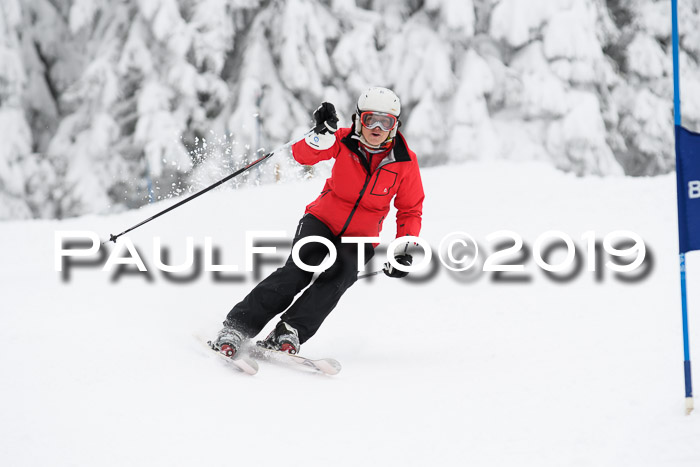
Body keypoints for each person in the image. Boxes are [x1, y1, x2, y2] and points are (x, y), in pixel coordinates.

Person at [212, 86, 425, 357]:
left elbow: (410, 209)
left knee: (339, 277)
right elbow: (303, 156)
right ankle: (237, 327)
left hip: (361, 236)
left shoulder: (405, 162)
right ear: (359, 119)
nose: (377, 127)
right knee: (298, 271)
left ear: (396, 126)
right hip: (321, 220)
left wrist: (404, 251)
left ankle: (289, 331)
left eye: (387, 121)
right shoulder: (343, 140)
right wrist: (320, 135)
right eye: (371, 119)